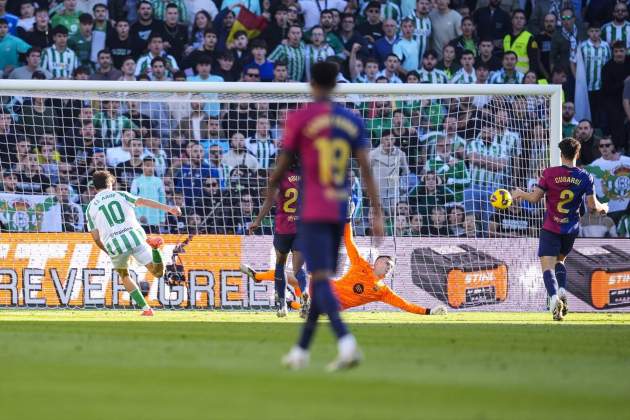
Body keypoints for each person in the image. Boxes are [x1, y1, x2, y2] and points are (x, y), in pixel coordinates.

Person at [266, 61, 383, 371]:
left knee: (318, 281)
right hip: (339, 210)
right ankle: (301, 351)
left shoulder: (301, 119)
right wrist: (377, 211)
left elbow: (281, 167)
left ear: (312, 84)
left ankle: (346, 344)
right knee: (319, 278)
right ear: (335, 85)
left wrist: (271, 188)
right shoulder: (351, 120)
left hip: (314, 210)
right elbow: (365, 168)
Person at [512, 137, 608, 321]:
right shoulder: (585, 176)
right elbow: (594, 208)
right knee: (560, 262)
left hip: (551, 227)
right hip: (570, 229)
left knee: (547, 266)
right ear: (577, 154)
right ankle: (563, 290)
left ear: (561, 153)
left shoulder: (549, 173)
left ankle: (555, 299)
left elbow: (534, 198)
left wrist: (519, 194)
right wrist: (605, 207)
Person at [86, 170, 181, 316]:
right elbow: (142, 201)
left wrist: (108, 252)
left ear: (94, 187)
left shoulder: (90, 208)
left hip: (115, 245)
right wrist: (169, 209)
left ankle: (146, 309)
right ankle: (155, 248)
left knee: (124, 275)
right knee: (158, 272)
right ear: (111, 182)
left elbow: (96, 238)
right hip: (135, 237)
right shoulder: (121, 194)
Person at [241, 158, 308, 317]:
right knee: (299, 269)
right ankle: (305, 293)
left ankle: (282, 305)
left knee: (280, 265)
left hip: (283, 228)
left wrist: (257, 221)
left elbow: (270, 200)